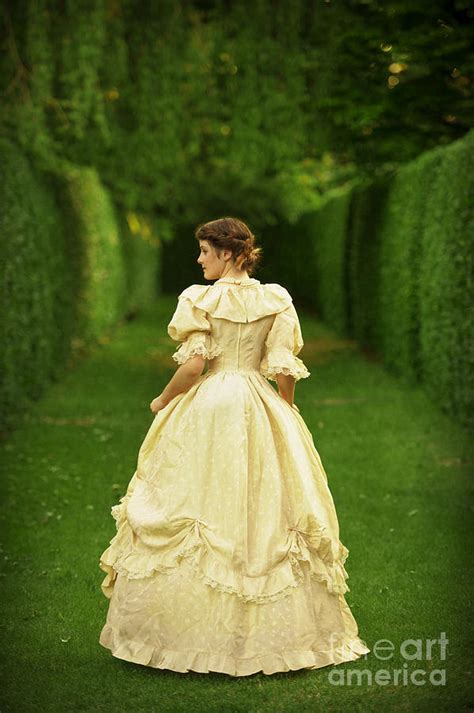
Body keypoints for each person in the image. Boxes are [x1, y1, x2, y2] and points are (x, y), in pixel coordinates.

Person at [98, 216, 371, 676]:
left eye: (205, 250)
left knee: (199, 497)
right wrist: (285, 408)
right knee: (264, 505)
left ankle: (185, 636)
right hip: (257, 399)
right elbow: (282, 364)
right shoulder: (275, 299)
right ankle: (278, 635)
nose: (199, 258)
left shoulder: (198, 300)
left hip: (213, 401)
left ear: (227, 252)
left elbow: (195, 366)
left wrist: (163, 399)